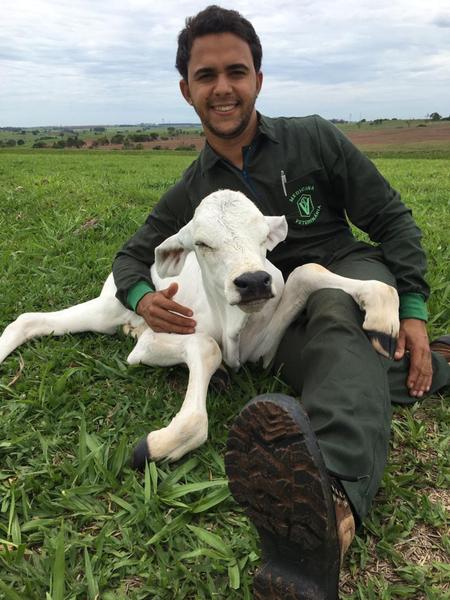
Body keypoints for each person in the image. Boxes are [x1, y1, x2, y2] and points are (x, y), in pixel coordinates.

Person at [113, 5, 450, 598]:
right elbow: (132, 256)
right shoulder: (193, 189)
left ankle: (334, 502)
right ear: (187, 90)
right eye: (206, 75)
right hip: (270, 319)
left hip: (345, 273)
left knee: (330, 313)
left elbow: (392, 219)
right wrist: (142, 297)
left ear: (258, 80)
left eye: (236, 72)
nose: (223, 88)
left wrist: (415, 309)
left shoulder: (313, 138)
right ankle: (434, 363)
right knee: (331, 363)